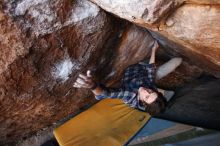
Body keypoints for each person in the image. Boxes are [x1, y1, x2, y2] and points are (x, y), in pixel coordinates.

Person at [73, 41, 182, 115]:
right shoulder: (151, 88)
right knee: (177, 61)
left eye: (146, 96)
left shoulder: (130, 95)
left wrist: (93, 85)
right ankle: (163, 92)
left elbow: (106, 94)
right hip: (147, 75)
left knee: (152, 73)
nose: (146, 91)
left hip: (132, 73)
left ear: (142, 102)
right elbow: (150, 69)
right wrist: (154, 50)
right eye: (151, 92)